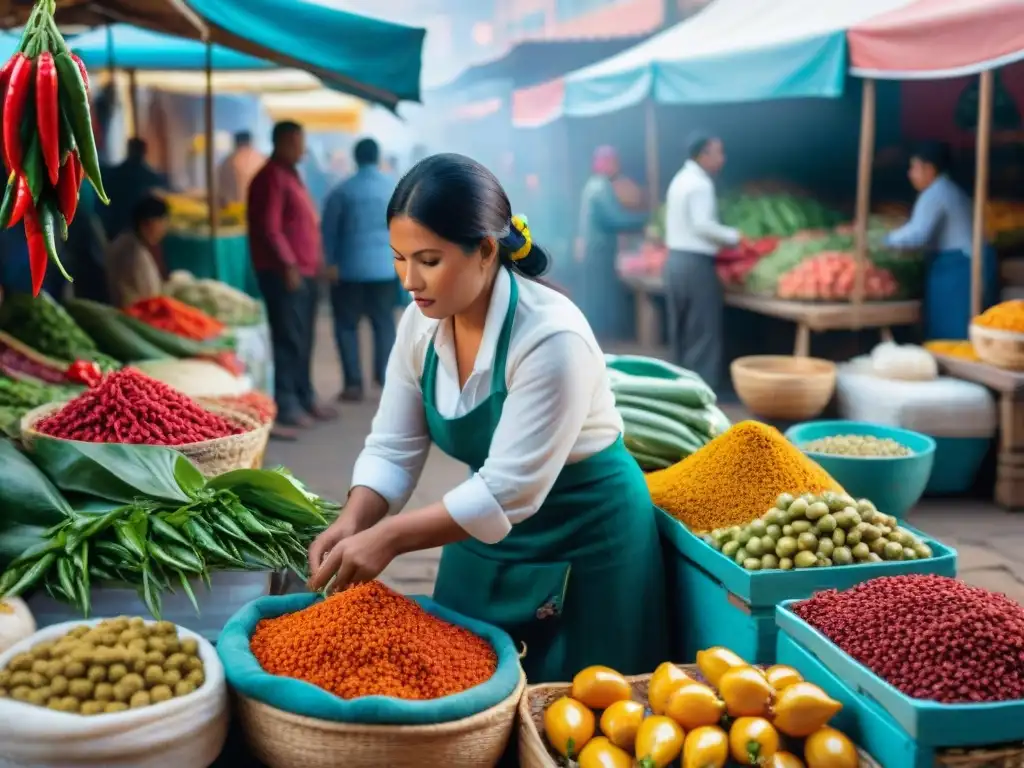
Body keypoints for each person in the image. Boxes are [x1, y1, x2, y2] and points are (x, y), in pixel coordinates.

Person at [306, 153, 669, 682]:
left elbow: (507, 490)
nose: (409, 280)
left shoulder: (550, 338)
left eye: (428, 260)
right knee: (461, 682)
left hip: (586, 538)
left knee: (578, 714)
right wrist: (353, 521)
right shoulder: (420, 324)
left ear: (484, 250)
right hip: (479, 529)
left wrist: (389, 538)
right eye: (398, 258)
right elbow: (392, 447)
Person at [248, 121, 337, 440]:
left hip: (306, 271)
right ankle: (286, 404)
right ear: (283, 142)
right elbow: (269, 228)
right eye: (298, 142)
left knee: (304, 338)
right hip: (285, 273)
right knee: (288, 338)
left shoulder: (291, 175)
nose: (303, 148)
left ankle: (305, 396)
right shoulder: (270, 177)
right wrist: (288, 264)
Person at [885, 142, 997, 340]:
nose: (911, 174)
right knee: (962, 322)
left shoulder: (935, 193)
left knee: (953, 326)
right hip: (967, 261)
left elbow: (918, 234)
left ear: (929, 169)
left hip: (960, 267)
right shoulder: (949, 189)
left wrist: (885, 239)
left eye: (914, 168)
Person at [322, 138, 398, 402]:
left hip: (349, 270)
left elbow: (328, 231)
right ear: (377, 158)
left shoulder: (342, 190)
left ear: (355, 158)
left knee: (346, 325)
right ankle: (386, 377)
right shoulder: (394, 189)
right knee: (384, 323)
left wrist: (330, 262)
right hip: (385, 269)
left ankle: (353, 384)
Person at [663, 132, 740, 392]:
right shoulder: (700, 184)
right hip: (695, 264)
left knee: (683, 330)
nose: (723, 158)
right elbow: (702, 225)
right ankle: (702, 390)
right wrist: (734, 236)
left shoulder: (680, 179)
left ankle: (680, 386)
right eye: (719, 152)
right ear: (704, 154)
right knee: (703, 331)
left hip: (675, 262)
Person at [575, 146, 648, 340]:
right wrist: (645, 221)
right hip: (599, 252)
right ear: (603, 163)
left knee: (597, 299)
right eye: (614, 162)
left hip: (596, 251)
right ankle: (604, 342)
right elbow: (614, 219)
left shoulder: (594, 185)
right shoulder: (600, 186)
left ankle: (599, 340)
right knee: (601, 300)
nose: (617, 166)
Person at [105, 196, 169, 309]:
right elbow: (150, 299)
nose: (163, 230)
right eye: (162, 223)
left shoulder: (124, 241)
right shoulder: (135, 255)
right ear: (148, 223)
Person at [101, 138, 171, 240]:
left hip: (112, 228)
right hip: (134, 230)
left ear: (129, 150)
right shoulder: (149, 177)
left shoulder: (113, 173)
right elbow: (166, 188)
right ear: (144, 152)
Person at [216, 130, 266, 207]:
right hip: (257, 208)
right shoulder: (262, 160)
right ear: (251, 142)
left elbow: (220, 193)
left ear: (235, 143)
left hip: (232, 210)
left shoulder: (227, 162)